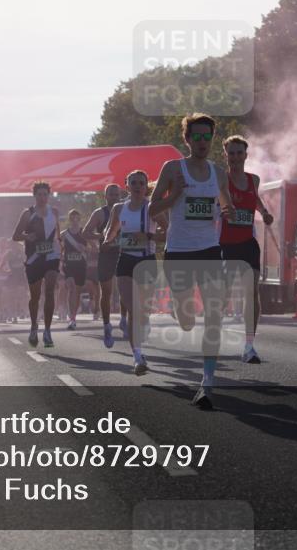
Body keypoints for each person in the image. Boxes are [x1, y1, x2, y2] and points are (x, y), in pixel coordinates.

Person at [150, 112, 235, 410]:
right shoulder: (172, 169)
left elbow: (226, 204)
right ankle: (178, 308)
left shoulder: (218, 173)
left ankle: (207, 384)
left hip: (209, 249)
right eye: (196, 136)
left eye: (206, 137)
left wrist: (227, 212)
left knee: (214, 314)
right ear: (186, 139)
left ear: (212, 139)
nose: (201, 142)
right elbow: (151, 209)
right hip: (179, 251)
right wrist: (173, 200)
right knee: (187, 322)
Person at [103, 170, 168, 375]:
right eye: (134, 183)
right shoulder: (118, 208)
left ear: (146, 185)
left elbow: (168, 232)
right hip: (126, 260)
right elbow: (110, 231)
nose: (138, 186)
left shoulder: (152, 208)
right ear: (127, 186)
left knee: (143, 309)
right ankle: (138, 357)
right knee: (132, 309)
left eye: (142, 182)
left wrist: (148, 235)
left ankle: (145, 322)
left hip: (146, 260)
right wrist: (107, 241)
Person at [220, 135, 274, 364]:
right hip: (225, 244)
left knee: (251, 291)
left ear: (246, 155)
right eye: (231, 153)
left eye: (239, 153)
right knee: (222, 297)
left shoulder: (254, 180)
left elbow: (256, 200)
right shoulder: (220, 179)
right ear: (226, 155)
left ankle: (249, 346)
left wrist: (263, 212)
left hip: (247, 244)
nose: (235, 157)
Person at [12, 181, 62, 348]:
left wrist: (61, 252)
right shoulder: (28, 213)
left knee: (49, 291)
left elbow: (58, 235)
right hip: (34, 258)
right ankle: (34, 326)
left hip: (52, 256)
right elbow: (16, 236)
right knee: (35, 296)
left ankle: (47, 331)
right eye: (39, 194)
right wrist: (28, 237)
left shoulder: (54, 212)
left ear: (49, 195)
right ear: (35, 196)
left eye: (45, 194)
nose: (42, 197)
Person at [82, 184, 128, 348]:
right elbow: (85, 233)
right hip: (106, 255)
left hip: (124, 253)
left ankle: (123, 320)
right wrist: (100, 236)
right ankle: (107, 326)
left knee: (124, 289)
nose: (114, 197)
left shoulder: (126, 209)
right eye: (111, 194)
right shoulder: (100, 213)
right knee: (106, 292)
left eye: (117, 194)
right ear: (105, 196)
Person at [61, 209, 89, 330]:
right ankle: (71, 317)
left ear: (80, 219)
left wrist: (84, 247)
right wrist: (60, 258)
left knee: (76, 291)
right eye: (72, 218)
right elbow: (58, 248)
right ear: (69, 219)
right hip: (68, 264)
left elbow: (89, 248)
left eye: (77, 218)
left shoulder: (84, 233)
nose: (75, 220)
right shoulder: (64, 234)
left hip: (80, 265)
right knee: (71, 287)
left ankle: (73, 316)